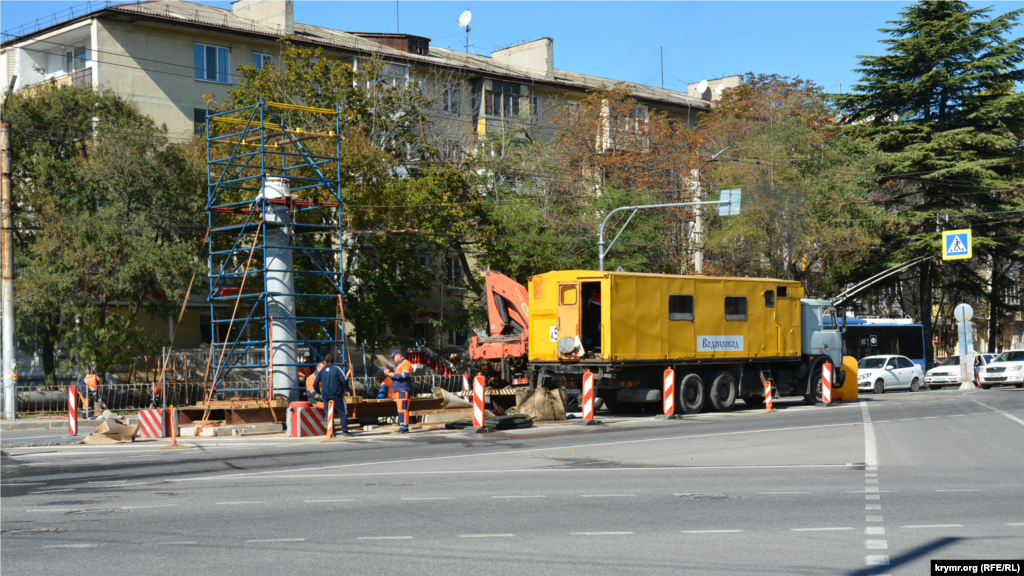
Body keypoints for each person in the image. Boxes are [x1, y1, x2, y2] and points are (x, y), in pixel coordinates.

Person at [312, 354, 353, 437]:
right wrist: (347, 390)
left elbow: (315, 383)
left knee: (328, 413)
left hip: (326, 395)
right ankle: (344, 431)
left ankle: (331, 431)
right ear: (334, 361)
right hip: (337, 394)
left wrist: (318, 392)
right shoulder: (337, 369)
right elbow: (344, 380)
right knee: (343, 412)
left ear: (325, 362)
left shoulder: (322, 371)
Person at [384, 349, 412, 433]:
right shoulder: (399, 364)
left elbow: (405, 374)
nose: (393, 359)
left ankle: (404, 427)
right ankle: (403, 426)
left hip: (403, 389)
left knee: (403, 408)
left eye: (394, 357)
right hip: (399, 390)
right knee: (400, 409)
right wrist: (389, 374)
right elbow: (398, 375)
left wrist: (393, 375)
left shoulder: (406, 363)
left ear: (399, 355)